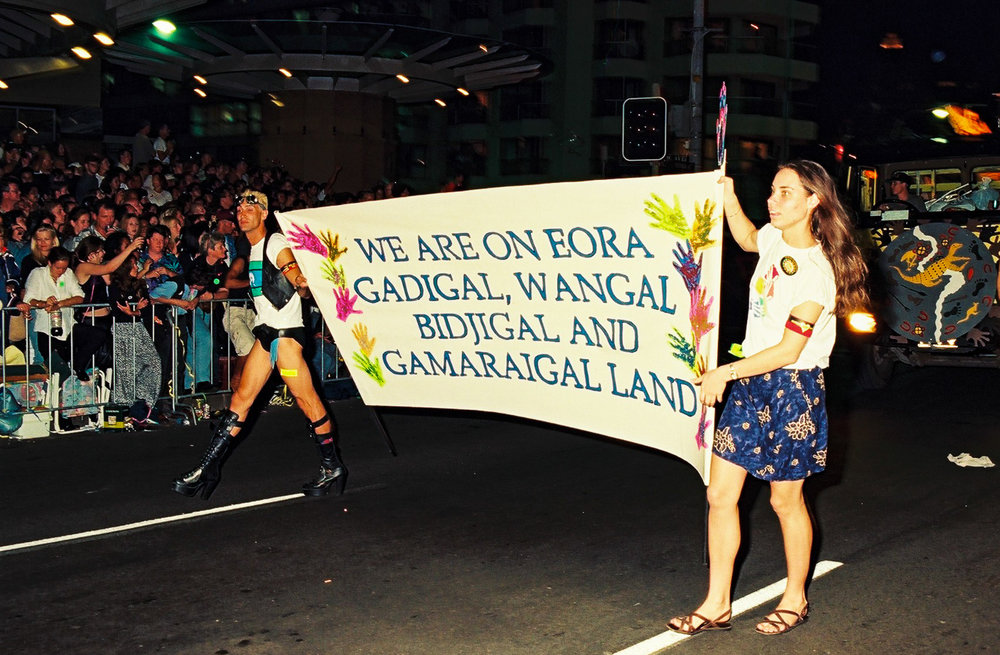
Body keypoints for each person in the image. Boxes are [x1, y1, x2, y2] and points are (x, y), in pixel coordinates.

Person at [667, 161, 868, 637]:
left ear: (813, 201)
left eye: (785, 194)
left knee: (784, 501)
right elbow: (747, 240)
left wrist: (724, 372)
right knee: (720, 495)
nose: (772, 202)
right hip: (751, 382)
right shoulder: (776, 238)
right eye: (773, 192)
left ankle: (795, 598)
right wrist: (729, 199)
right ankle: (717, 603)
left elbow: (788, 349)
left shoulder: (817, 273)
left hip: (792, 390)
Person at [172, 190, 347, 500]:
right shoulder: (251, 249)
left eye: (250, 207)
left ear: (265, 213)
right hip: (266, 334)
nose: (242, 212)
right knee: (241, 399)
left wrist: (301, 283)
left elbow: (292, 272)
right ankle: (207, 466)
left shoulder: (276, 244)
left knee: (308, 402)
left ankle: (332, 467)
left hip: (285, 337)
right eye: (239, 207)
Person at [20, 247, 109, 381]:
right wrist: (45, 303)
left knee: (98, 334)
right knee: (58, 372)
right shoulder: (38, 274)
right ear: (50, 263)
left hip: (68, 326)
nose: (61, 271)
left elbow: (80, 296)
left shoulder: (67, 274)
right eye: (58, 268)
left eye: (64, 268)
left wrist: (60, 303)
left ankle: (78, 365)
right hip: (47, 329)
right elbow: (29, 298)